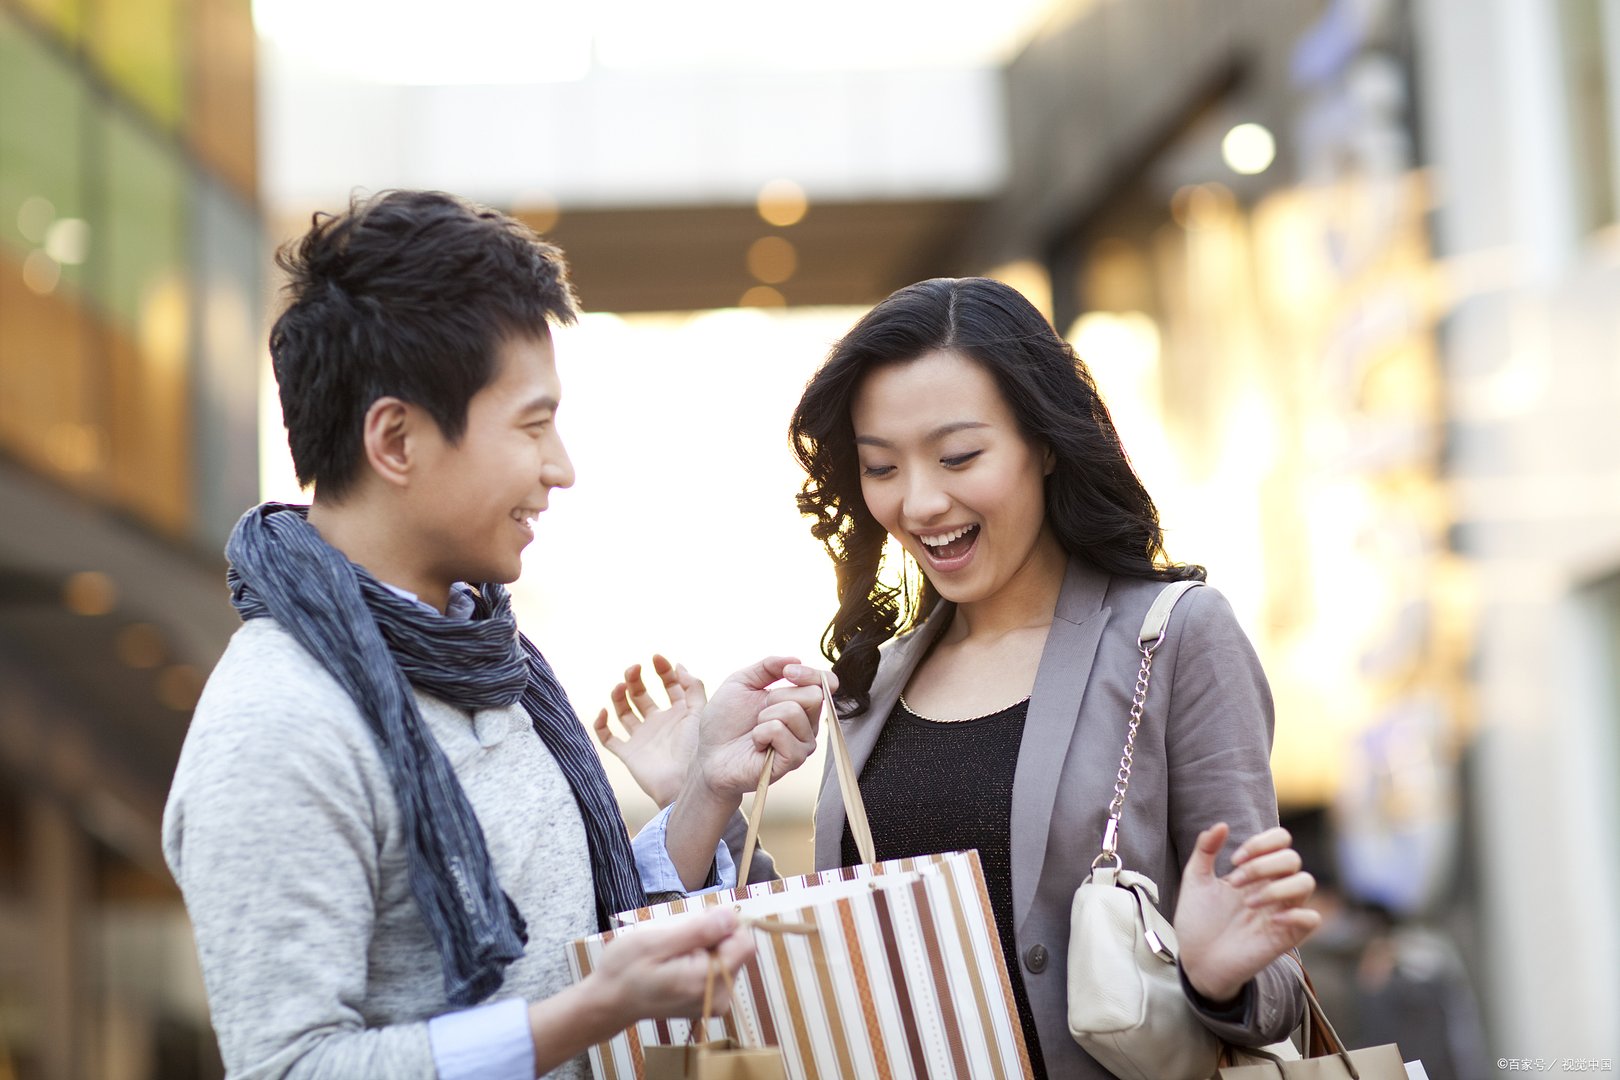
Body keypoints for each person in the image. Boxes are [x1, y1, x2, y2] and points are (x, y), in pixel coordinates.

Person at [162, 190, 829, 1080]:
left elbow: (564, 943)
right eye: (532, 424)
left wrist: (706, 789)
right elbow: (289, 1068)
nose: (561, 468)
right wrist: (579, 1017)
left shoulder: (486, 661)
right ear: (395, 439)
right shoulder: (278, 723)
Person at [599, 277, 1321, 1078]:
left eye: (959, 457)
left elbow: (1272, 967)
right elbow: (821, 950)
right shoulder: (870, 682)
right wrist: (701, 791)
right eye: (881, 467)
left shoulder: (1174, 636)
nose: (920, 501)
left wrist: (1216, 978)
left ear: (1044, 443)